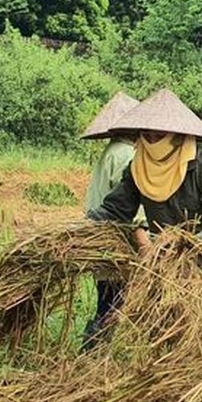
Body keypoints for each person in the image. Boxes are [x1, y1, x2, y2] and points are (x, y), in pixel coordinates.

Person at [87, 88, 202, 249]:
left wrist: (188, 243)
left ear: (177, 136)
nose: (152, 142)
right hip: (168, 254)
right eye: (146, 135)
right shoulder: (139, 168)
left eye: (159, 136)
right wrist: (82, 227)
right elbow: (116, 209)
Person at [80, 92, 140, 348]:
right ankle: (91, 353)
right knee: (114, 305)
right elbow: (132, 210)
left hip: (100, 240)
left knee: (107, 301)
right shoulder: (127, 155)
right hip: (115, 243)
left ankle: (94, 351)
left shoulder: (111, 151)